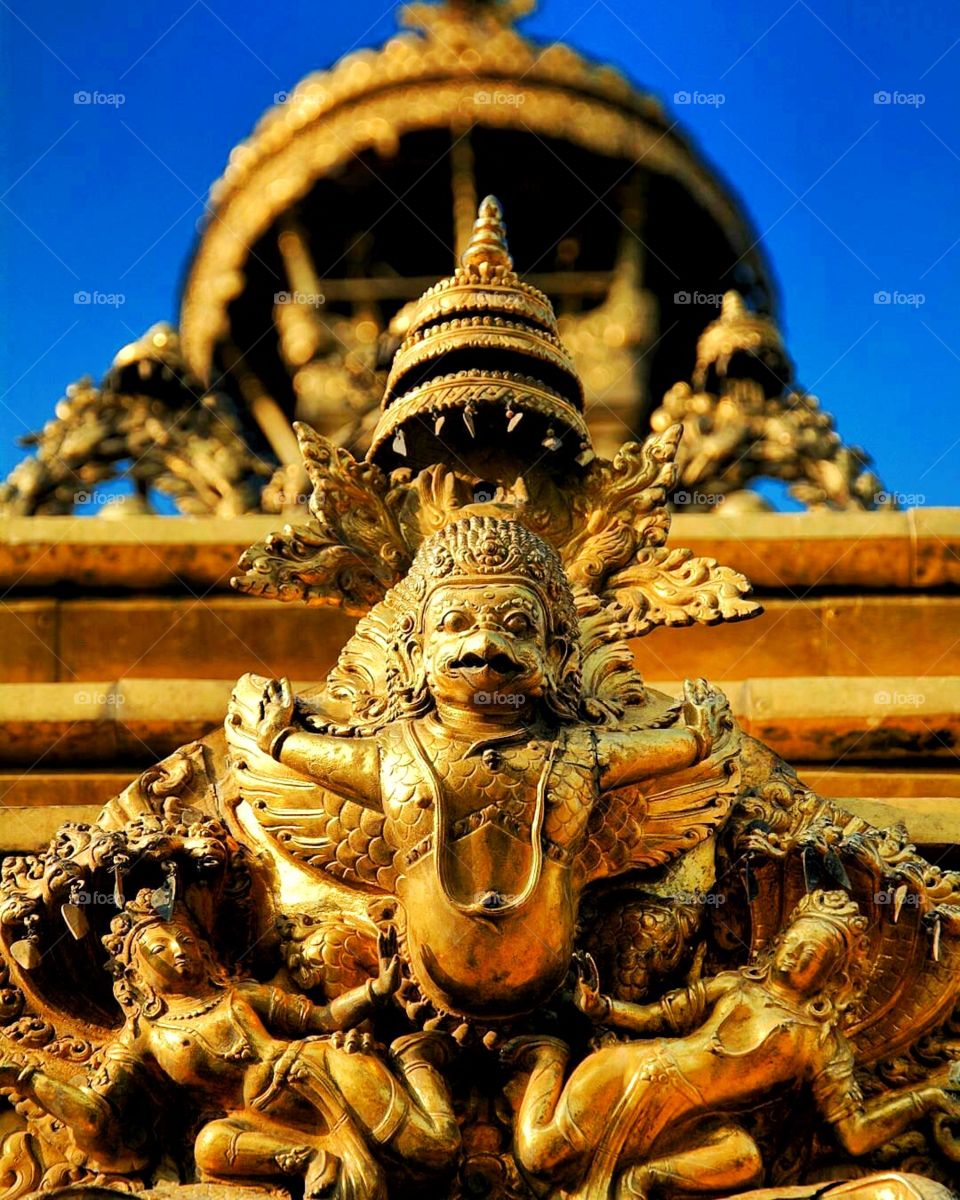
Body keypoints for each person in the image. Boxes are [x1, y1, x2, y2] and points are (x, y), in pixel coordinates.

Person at [503, 890, 960, 1199]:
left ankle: (642, 1180)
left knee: (744, 1161)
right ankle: (548, 1056)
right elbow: (659, 1017)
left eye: (814, 954)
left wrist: (925, 1098)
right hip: (634, 1073)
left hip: (697, 1122)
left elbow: (854, 1134)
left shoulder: (820, 1043)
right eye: (796, 942)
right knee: (539, 1157)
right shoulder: (736, 987)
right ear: (779, 940)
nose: (796, 955)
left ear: (833, 976)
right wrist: (604, 1009)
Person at [7, 890, 459, 1200]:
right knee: (209, 1144)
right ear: (135, 973)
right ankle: (308, 1158)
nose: (179, 950)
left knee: (435, 1150)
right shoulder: (143, 1037)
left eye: (185, 939)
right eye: (159, 948)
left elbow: (320, 1018)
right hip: (260, 1117)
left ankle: (415, 1058)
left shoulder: (239, 995)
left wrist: (376, 991)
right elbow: (97, 1115)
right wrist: (26, 1079)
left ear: (204, 949)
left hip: (320, 1069)